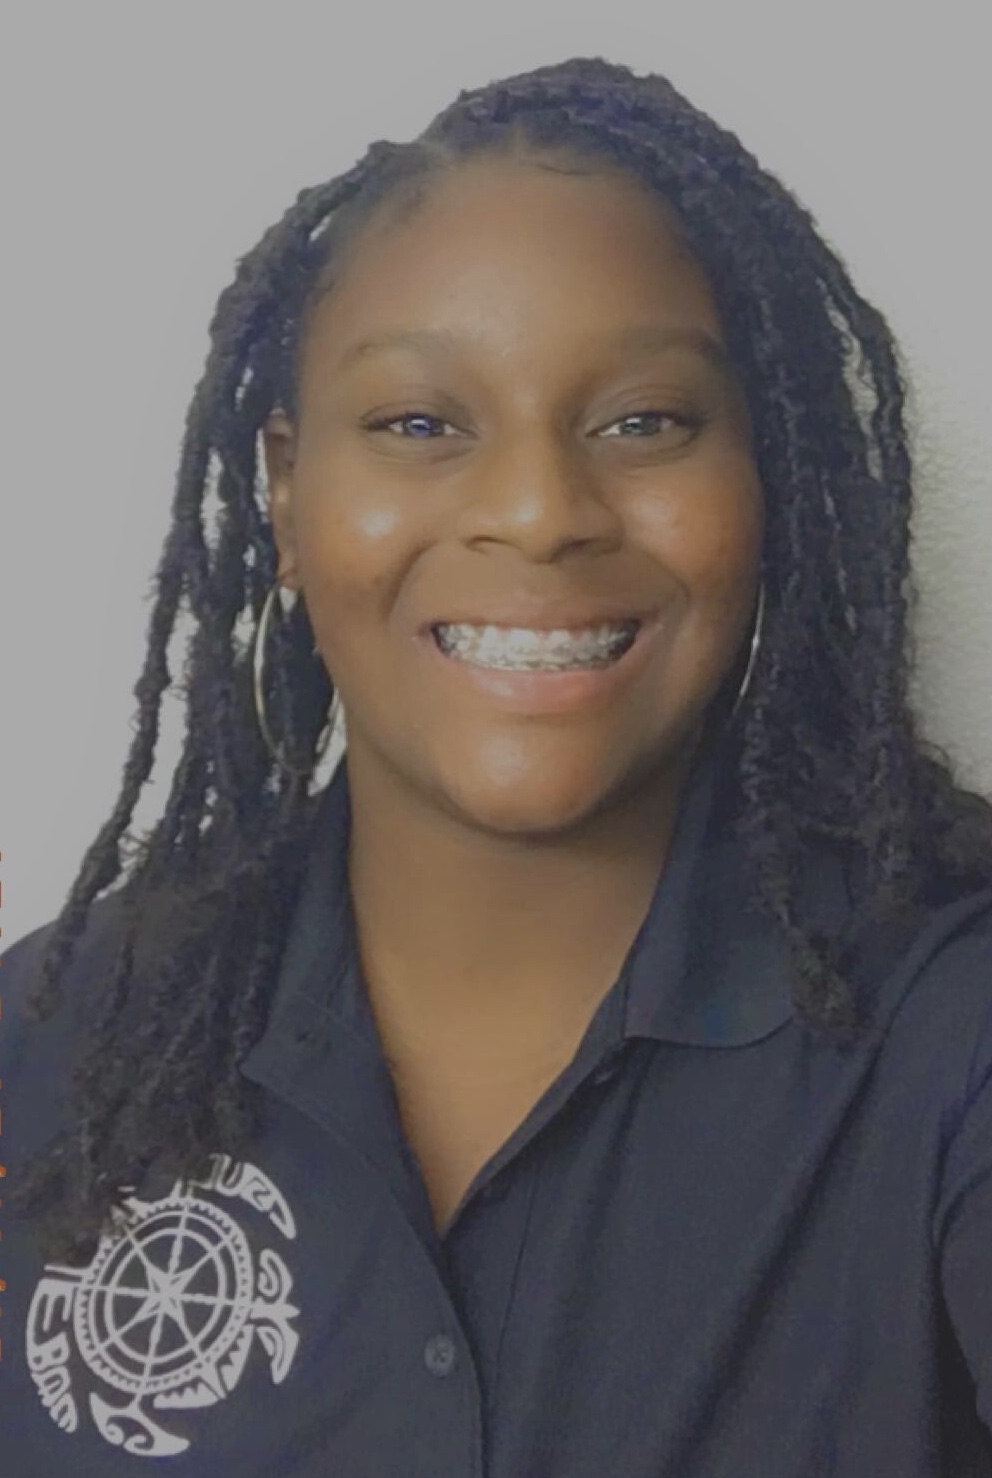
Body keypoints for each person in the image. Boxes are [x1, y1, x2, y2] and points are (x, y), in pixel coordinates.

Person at [2, 53, 992, 1477]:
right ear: (289, 491)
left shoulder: (950, 1039)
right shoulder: (53, 1046)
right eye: (420, 424)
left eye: (645, 421)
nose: (537, 510)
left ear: (766, 483)